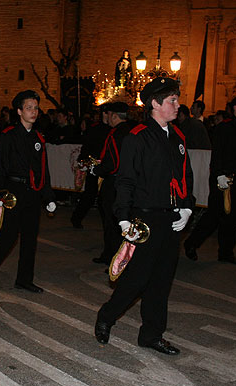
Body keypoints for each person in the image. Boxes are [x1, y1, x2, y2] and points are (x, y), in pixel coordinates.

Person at [94, 77, 194, 355]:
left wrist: (186, 207)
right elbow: (125, 180)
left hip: (171, 218)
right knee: (136, 278)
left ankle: (151, 334)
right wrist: (124, 218)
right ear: (155, 104)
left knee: (162, 280)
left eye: (176, 99)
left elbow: (185, 175)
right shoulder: (137, 136)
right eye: (171, 100)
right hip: (145, 217)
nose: (176, 104)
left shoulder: (178, 137)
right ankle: (107, 316)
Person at [0, 90, 56, 293]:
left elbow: (43, 169)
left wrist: (48, 196)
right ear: (19, 111)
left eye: (36, 108)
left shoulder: (39, 137)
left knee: (30, 238)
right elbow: (0, 167)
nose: (33, 112)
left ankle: (24, 279)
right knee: (8, 236)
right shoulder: (9, 135)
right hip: (13, 191)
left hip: (33, 193)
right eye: (29, 108)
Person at [184, 95, 236, 265]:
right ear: (235, 108)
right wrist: (219, 174)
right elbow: (218, 153)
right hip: (223, 178)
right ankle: (191, 243)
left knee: (234, 216)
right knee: (214, 215)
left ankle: (226, 252)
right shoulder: (225, 127)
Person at [91, 102, 134, 266]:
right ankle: (112, 254)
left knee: (111, 221)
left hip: (115, 181)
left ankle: (113, 257)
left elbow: (113, 162)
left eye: (108, 114)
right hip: (127, 182)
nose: (106, 118)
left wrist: (98, 170)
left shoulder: (116, 133)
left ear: (114, 115)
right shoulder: (131, 131)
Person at [71, 104, 110, 229]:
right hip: (94, 166)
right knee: (89, 194)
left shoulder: (113, 129)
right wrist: (83, 160)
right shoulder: (95, 129)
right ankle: (76, 218)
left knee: (105, 197)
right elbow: (87, 145)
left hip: (108, 167)